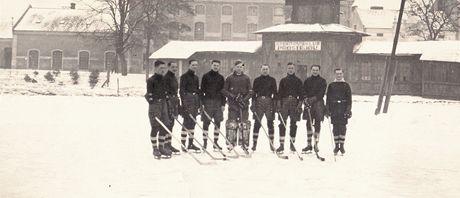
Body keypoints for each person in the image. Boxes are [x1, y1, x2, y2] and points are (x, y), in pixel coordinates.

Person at [221, 60, 253, 150]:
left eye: (241, 67)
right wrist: (233, 97)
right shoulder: (229, 78)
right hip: (233, 105)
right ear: (234, 67)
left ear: (243, 68)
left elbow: (250, 91)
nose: (239, 68)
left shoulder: (246, 78)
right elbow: (224, 90)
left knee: (244, 124)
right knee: (232, 124)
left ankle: (244, 143)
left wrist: (244, 99)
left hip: (243, 105)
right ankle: (230, 143)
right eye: (237, 67)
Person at [145, 60, 171, 158]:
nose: (163, 70)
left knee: (164, 126)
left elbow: (166, 93)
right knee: (155, 127)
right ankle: (155, 149)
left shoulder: (164, 79)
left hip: (163, 104)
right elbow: (149, 95)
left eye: (164, 68)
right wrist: (154, 106)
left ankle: (161, 147)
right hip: (155, 105)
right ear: (155, 68)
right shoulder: (151, 80)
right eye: (161, 68)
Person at [276, 62, 303, 154]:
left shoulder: (298, 81)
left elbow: (301, 95)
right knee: (282, 123)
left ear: (294, 69)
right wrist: (279, 105)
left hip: (294, 103)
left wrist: (299, 106)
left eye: (292, 68)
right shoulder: (283, 80)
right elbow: (279, 94)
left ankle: (292, 144)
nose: (290, 70)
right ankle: (281, 145)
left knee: (293, 124)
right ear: (286, 69)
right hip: (284, 103)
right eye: (289, 68)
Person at [200, 60, 226, 151]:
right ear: (211, 66)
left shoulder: (221, 77)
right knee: (206, 122)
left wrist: (223, 104)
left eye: (217, 65)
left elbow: (223, 92)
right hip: (208, 102)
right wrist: (202, 103)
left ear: (219, 67)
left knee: (218, 122)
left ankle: (215, 142)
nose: (216, 67)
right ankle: (205, 143)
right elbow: (201, 91)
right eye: (214, 65)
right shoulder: (205, 76)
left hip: (218, 102)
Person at [251, 64, 277, 151]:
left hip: (269, 101)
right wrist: (253, 104)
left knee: (270, 123)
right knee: (257, 123)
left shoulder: (272, 80)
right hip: (259, 102)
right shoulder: (257, 80)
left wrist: (274, 104)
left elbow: (275, 93)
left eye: (266, 69)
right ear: (260, 70)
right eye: (263, 69)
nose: (265, 71)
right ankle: (254, 144)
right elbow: (253, 93)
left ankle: (272, 144)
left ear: (269, 70)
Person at [326, 68, 352, 155]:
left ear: (343, 74)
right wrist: (327, 109)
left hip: (343, 108)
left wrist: (348, 110)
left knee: (342, 127)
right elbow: (328, 98)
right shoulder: (331, 85)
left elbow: (349, 99)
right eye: (337, 74)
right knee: (335, 127)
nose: (339, 75)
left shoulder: (346, 85)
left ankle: (342, 145)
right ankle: (336, 145)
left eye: (340, 74)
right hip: (334, 108)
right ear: (335, 74)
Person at [301, 65, 327, 153]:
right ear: (311, 70)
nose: (315, 71)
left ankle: (316, 144)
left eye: (316, 70)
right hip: (308, 103)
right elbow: (303, 91)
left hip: (318, 104)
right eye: (313, 70)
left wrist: (312, 99)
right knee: (308, 123)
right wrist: (305, 98)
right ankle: (309, 144)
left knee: (317, 123)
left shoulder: (323, 81)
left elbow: (321, 93)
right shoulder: (307, 80)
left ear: (319, 71)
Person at [179, 59, 201, 152]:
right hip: (187, 102)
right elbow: (182, 91)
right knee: (186, 122)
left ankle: (190, 143)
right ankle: (183, 144)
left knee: (193, 122)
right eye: (193, 65)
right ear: (189, 65)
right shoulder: (184, 77)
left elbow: (197, 91)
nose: (194, 66)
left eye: (196, 65)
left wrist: (199, 103)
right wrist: (184, 104)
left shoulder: (196, 77)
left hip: (195, 102)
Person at [163, 61, 180, 154]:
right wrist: (169, 105)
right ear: (168, 67)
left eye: (175, 67)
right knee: (167, 124)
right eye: (172, 67)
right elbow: (166, 93)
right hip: (168, 102)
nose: (174, 68)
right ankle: (165, 145)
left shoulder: (174, 77)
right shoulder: (166, 78)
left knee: (172, 124)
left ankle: (169, 144)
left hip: (174, 101)